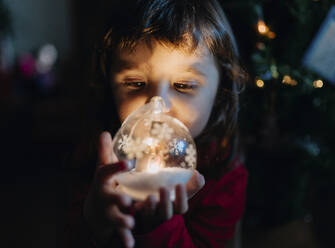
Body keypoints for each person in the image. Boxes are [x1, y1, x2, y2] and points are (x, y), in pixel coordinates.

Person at [63, 0, 248, 247]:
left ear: (221, 90)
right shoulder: (98, 160)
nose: (156, 106)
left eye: (184, 86)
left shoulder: (225, 175)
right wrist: (95, 219)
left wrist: (158, 227)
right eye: (135, 84)